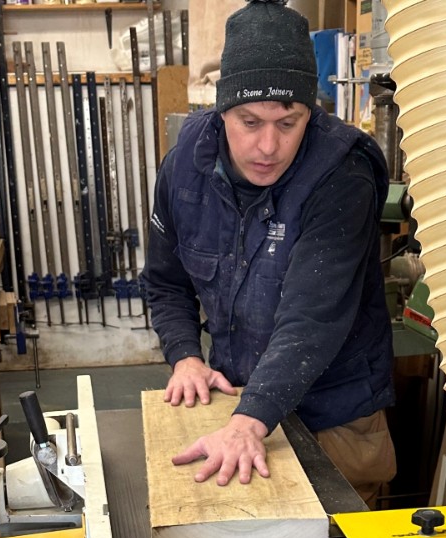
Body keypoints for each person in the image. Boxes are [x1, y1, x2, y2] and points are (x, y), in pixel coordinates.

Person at [140, 0, 396, 508]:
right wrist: (185, 356)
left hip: (335, 416)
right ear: (221, 110)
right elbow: (166, 281)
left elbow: (312, 319)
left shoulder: (342, 174)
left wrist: (247, 422)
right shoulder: (185, 166)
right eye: (249, 120)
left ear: (311, 112)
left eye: (288, 122)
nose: (267, 146)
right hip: (238, 402)